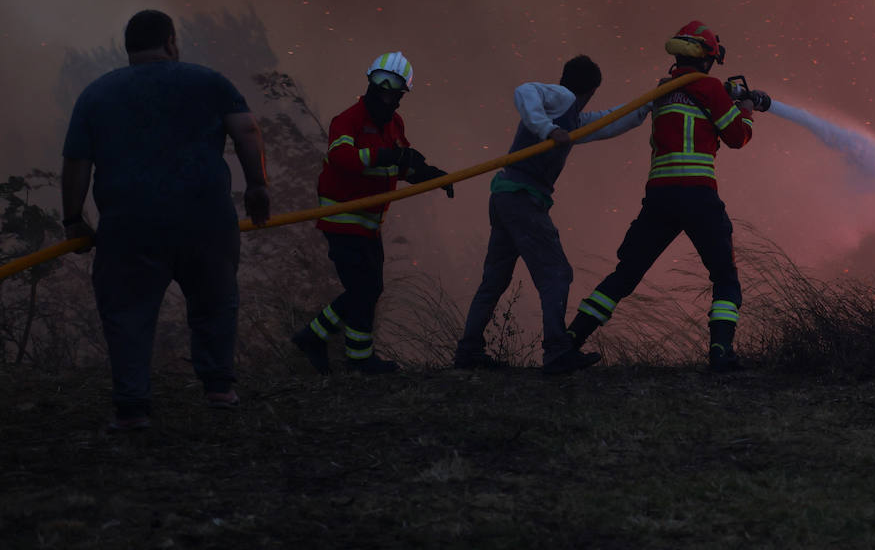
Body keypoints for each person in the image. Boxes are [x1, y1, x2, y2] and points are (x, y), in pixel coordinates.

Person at [61, 9, 271, 431]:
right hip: (206, 220)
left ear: (128, 49)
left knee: (128, 314)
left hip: (129, 226)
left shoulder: (97, 95)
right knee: (214, 302)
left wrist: (73, 219)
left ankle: (133, 407)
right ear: (171, 42)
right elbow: (247, 130)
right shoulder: (208, 82)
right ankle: (218, 388)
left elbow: (76, 162)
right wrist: (257, 186)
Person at [565, 21, 769, 372]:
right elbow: (737, 138)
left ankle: (569, 342)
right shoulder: (710, 88)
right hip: (699, 197)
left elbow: (616, 122)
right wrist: (747, 110)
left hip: (659, 199)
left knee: (626, 273)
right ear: (707, 58)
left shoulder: (660, 91)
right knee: (723, 276)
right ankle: (721, 352)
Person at [453, 55, 651, 375]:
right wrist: (546, 130)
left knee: (495, 279)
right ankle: (557, 351)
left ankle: (469, 351)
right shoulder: (563, 99)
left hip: (507, 196)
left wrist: (646, 105)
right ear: (591, 89)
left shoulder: (569, 118)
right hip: (522, 200)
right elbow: (525, 90)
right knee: (557, 274)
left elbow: (609, 122)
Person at [291, 51, 452, 375]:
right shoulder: (347, 119)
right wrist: (387, 155)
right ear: (369, 83)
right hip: (342, 220)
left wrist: (432, 175)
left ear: (400, 96)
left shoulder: (395, 123)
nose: (383, 92)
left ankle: (333, 345)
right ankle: (349, 354)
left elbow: (401, 163)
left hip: (369, 224)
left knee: (369, 290)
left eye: (391, 88)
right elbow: (343, 159)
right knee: (363, 290)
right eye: (378, 84)